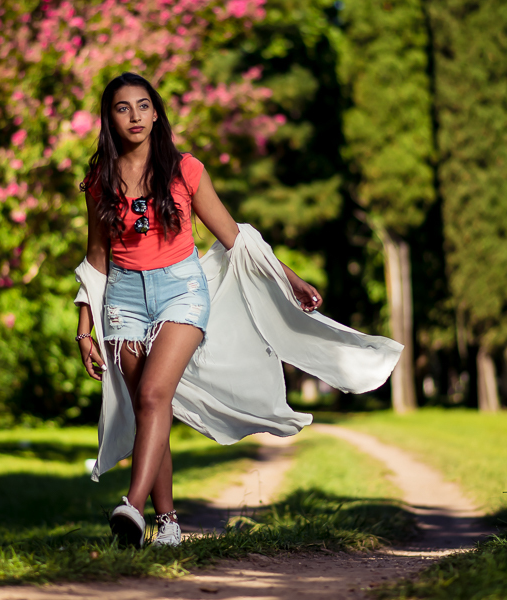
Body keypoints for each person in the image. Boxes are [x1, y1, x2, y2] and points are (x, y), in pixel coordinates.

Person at [74, 73, 323, 548]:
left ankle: (130, 507)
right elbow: (97, 257)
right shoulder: (99, 181)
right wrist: (85, 326)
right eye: (123, 108)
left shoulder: (185, 169)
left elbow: (234, 236)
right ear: (109, 117)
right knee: (151, 410)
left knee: (152, 396)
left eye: (143, 106)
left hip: (181, 292)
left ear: (156, 112)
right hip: (123, 301)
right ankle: (166, 522)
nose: (135, 117)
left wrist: (289, 278)